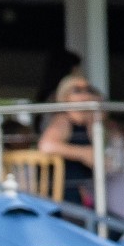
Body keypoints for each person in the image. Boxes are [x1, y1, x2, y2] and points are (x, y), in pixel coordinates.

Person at [38, 74, 103, 205]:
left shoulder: (87, 122)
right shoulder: (63, 119)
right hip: (67, 196)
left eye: (88, 90)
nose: (85, 95)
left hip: (87, 191)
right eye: (77, 91)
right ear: (65, 97)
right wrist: (83, 153)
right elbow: (46, 145)